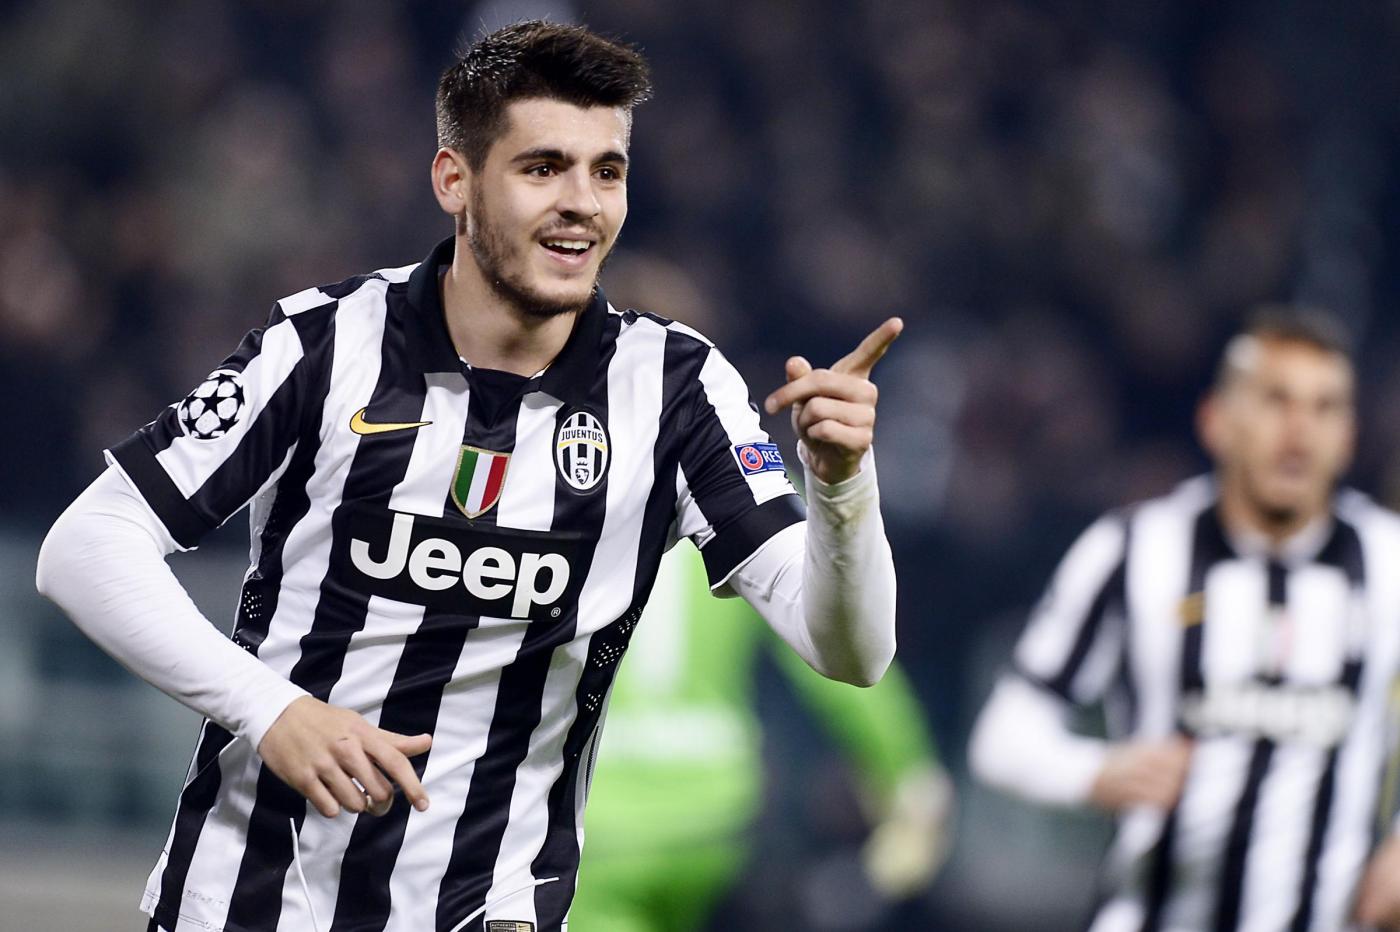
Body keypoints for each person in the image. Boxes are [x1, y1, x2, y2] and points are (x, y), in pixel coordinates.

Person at [34, 21, 901, 932]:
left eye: (607, 171)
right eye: (543, 168)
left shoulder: (675, 389)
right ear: (455, 180)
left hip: (487, 910)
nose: (582, 203)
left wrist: (841, 486)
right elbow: (86, 546)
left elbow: (851, 651)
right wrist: (270, 709)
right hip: (248, 903)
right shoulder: (325, 344)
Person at [969, 311, 1400, 932]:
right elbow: (1002, 736)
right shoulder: (1132, 549)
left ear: (1349, 437)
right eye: (1275, 401)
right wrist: (1096, 772)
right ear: (1217, 421)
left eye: (1324, 407)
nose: (1299, 432)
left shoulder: (1388, 562)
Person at [569, 543, 952, 932]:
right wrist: (906, 772)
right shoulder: (739, 507)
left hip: (599, 815)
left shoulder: (564, 510)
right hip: (711, 813)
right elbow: (833, 647)